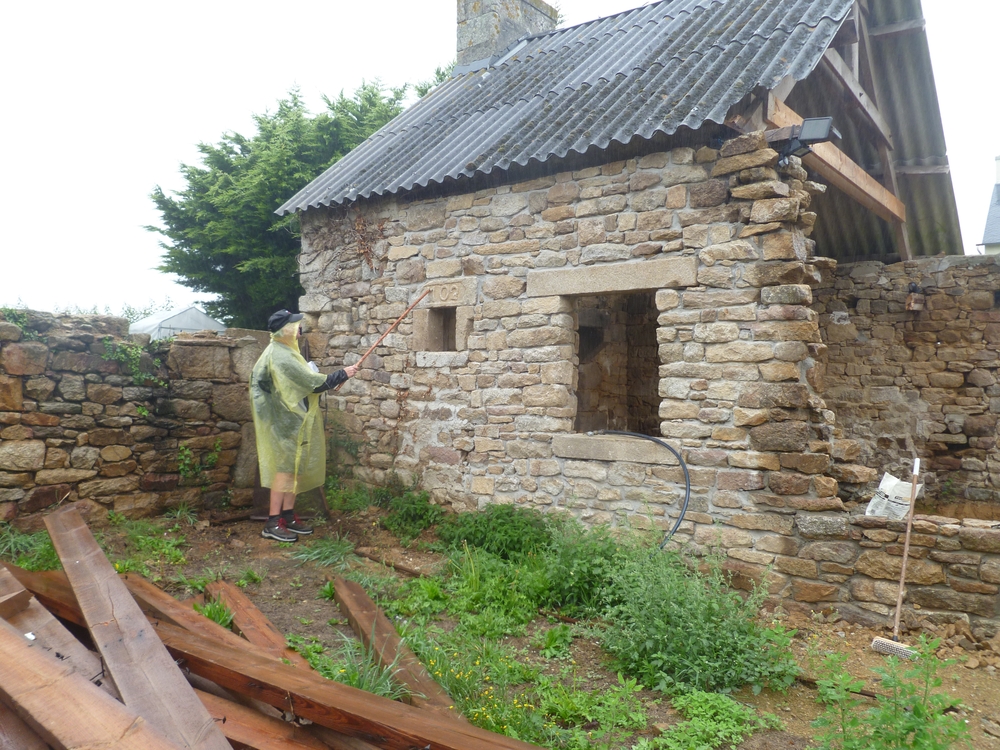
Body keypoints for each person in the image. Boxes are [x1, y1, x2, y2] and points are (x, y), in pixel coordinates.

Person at [250, 310, 358, 542]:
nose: (299, 328)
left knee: (293, 468)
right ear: (285, 330)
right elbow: (311, 383)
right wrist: (341, 374)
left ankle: (287, 516)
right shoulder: (280, 355)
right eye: (295, 325)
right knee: (285, 470)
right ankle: (271, 523)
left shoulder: (286, 351)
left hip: (290, 421)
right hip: (283, 422)